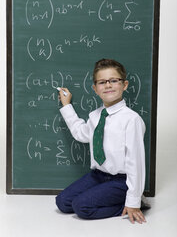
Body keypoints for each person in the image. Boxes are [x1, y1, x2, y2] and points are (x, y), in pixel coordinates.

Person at [56, 58, 147, 224]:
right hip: (98, 176)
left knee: (81, 207)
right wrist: (66, 106)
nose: (108, 85)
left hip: (122, 181)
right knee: (62, 202)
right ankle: (113, 197)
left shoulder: (131, 120)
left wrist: (132, 201)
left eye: (114, 80)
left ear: (124, 85)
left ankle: (132, 203)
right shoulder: (95, 116)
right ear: (95, 89)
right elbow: (81, 134)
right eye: (102, 82)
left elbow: (136, 162)